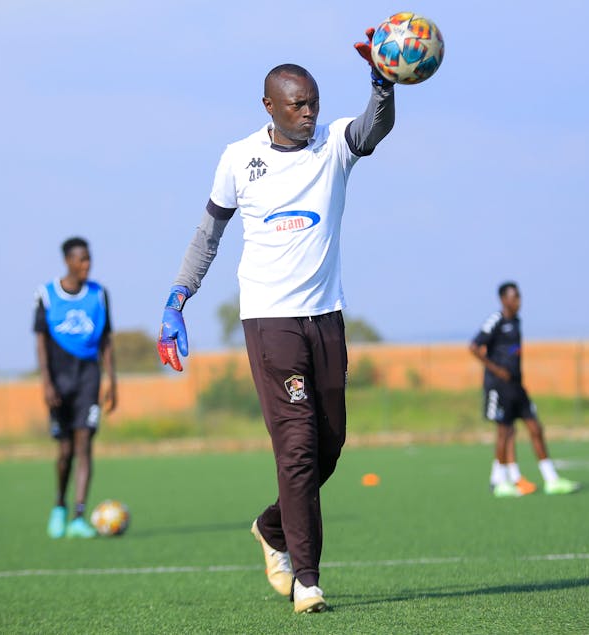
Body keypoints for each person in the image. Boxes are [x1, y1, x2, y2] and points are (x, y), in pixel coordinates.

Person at [156, 30, 396, 613]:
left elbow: (374, 127)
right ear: (270, 106)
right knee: (296, 447)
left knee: (331, 443)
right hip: (269, 321)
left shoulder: (335, 142)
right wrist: (178, 296)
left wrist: (383, 84)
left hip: (326, 318)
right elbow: (209, 234)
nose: (309, 112)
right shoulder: (239, 158)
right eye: (298, 104)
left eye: (313, 101)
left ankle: (271, 526)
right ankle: (306, 579)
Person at [34, 237, 117, 538]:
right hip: (59, 381)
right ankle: (59, 506)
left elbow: (106, 340)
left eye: (89, 259)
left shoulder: (99, 295)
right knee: (65, 450)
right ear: (68, 260)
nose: (86, 265)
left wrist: (112, 380)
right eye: (81, 259)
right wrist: (46, 382)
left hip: (88, 379)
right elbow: (41, 340)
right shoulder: (47, 294)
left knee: (85, 446)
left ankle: (80, 516)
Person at [469, 282, 580, 497]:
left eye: (519, 296)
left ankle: (551, 479)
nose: (519, 301)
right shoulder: (496, 321)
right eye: (514, 297)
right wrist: (497, 370)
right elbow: (473, 347)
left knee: (535, 427)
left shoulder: (517, 321)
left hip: (517, 387)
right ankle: (500, 481)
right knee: (505, 431)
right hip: (499, 386)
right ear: (504, 299)